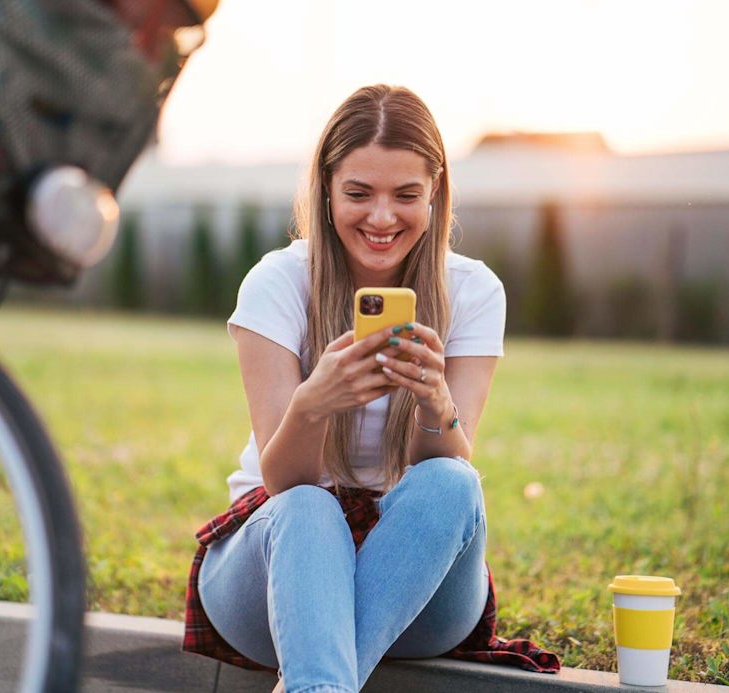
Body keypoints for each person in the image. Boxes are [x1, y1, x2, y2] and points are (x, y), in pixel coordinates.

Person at [182, 84, 558, 693]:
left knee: (454, 479)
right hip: (282, 569)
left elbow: (448, 486)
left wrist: (437, 402)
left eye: (406, 195)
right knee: (310, 504)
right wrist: (313, 403)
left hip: (413, 583)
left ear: (435, 193)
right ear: (325, 192)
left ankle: (316, 681)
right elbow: (282, 485)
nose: (381, 218)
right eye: (358, 193)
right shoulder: (277, 283)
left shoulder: (473, 292)